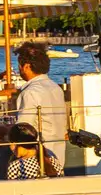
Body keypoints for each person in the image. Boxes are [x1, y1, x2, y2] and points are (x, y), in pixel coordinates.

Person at [9, 42, 66, 174]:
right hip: (58, 157)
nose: (19, 69)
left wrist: (4, 130)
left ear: (26, 66)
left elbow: (24, 131)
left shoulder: (30, 92)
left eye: (19, 66)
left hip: (37, 161)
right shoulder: (56, 88)